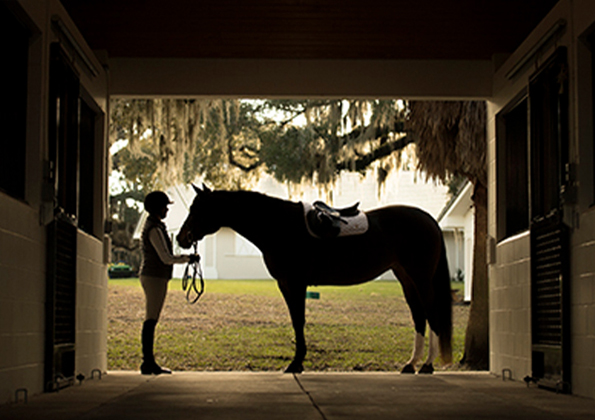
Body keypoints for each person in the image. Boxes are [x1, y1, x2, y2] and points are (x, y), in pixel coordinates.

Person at [139, 191, 199, 375]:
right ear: (158, 208)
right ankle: (148, 362)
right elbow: (165, 257)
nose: (167, 210)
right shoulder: (155, 230)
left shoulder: (155, 226)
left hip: (156, 276)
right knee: (151, 318)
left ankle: (148, 361)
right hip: (154, 276)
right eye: (165, 206)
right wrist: (188, 259)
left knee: (152, 317)